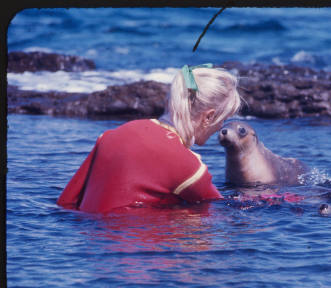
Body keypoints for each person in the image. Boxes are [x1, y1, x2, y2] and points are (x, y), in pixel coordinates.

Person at [57, 64, 241, 213]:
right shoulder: (189, 167)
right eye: (223, 119)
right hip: (138, 248)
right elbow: (219, 210)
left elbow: (66, 202)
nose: (221, 127)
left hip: (92, 245)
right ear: (208, 117)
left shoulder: (111, 135)